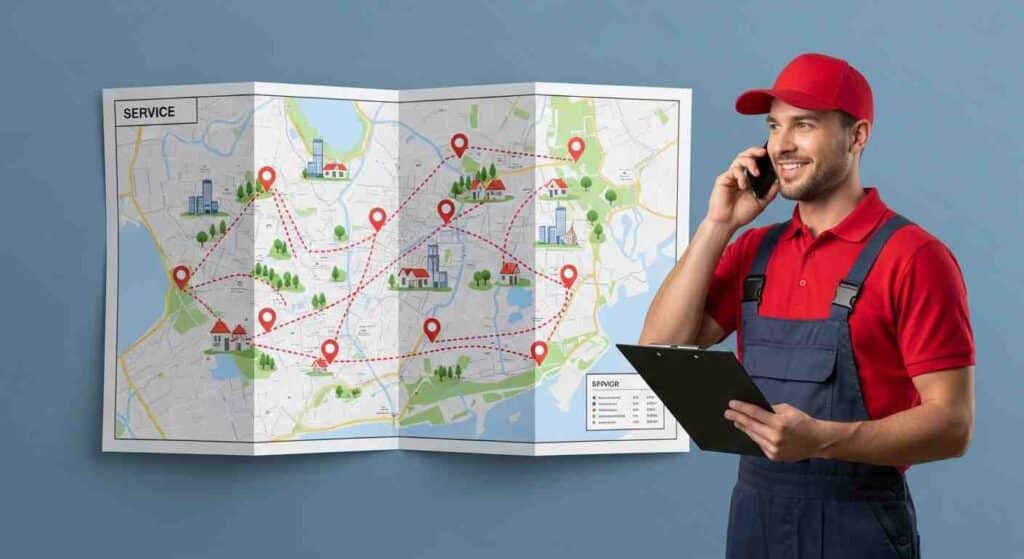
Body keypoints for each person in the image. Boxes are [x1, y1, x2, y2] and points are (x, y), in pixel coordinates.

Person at [638, 52, 975, 558]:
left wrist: (821, 439)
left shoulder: (914, 258)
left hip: (858, 525)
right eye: (774, 126)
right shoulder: (754, 251)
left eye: (805, 125)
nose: (782, 145)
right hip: (755, 518)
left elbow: (952, 426)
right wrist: (718, 225)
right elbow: (661, 346)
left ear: (857, 136)